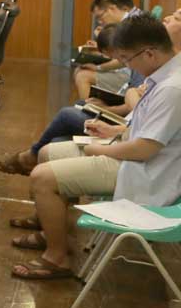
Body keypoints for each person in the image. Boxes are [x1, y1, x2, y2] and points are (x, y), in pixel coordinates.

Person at [12, 16, 181, 280]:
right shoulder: (164, 75)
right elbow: (151, 130)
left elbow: (146, 149)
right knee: (45, 153)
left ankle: (56, 258)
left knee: (41, 177)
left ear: (149, 53)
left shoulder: (173, 87)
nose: (127, 65)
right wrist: (114, 132)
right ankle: (52, 231)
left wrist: (101, 150)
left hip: (144, 171)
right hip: (132, 156)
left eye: (127, 59)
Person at [0, 24, 144, 176]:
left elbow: (134, 108)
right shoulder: (139, 63)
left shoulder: (145, 70)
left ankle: (30, 158)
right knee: (76, 112)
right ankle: (38, 158)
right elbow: (133, 102)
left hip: (124, 124)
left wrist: (107, 108)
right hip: (126, 118)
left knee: (66, 115)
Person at [75, 0, 139, 99]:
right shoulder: (123, 23)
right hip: (124, 71)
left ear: (112, 9)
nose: (100, 22)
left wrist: (98, 68)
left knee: (82, 76)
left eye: (100, 17)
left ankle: (87, 106)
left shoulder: (129, 25)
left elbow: (122, 60)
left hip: (128, 75)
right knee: (80, 70)